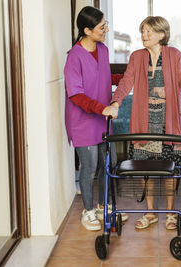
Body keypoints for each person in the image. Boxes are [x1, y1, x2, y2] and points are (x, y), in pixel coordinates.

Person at [103, 16, 181, 230]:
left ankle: (171, 213)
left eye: (148, 32)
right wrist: (115, 103)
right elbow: (126, 82)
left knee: (170, 170)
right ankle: (151, 212)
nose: (143, 35)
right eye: (142, 31)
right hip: (145, 124)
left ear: (161, 34)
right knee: (148, 169)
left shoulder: (174, 55)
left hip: (169, 123)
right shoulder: (137, 57)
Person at [64, 6, 127, 231]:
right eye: (102, 27)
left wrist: (127, 79)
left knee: (104, 165)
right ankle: (88, 211)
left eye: (105, 25)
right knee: (89, 168)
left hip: (102, 118)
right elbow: (76, 94)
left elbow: (105, 77)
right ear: (87, 30)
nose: (106, 30)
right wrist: (102, 109)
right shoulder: (74, 56)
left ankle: (102, 206)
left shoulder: (103, 49)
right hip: (83, 120)